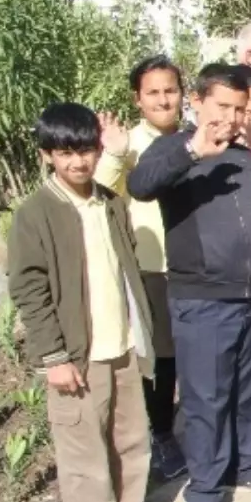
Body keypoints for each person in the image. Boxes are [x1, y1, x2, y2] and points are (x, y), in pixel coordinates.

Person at [128, 64, 251, 502]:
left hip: (250, 297)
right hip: (202, 299)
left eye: (241, 108)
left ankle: (249, 466)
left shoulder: (245, 157)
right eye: (223, 106)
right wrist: (190, 150)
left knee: (250, 392)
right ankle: (204, 492)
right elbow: (140, 184)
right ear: (197, 102)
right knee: (205, 397)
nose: (232, 116)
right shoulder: (174, 148)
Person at [10, 103, 173, 502]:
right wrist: (54, 356)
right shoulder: (36, 213)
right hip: (75, 355)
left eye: (86, 151)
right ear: (47, 156)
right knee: (84, 452)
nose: (78, 162)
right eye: (66, 153)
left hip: (120, 344)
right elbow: (29, 289)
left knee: (130, 439)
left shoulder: (109, 202)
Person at [93, 56, 185, 480]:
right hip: (153, 268)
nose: (163, 100)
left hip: (197, 266)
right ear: (138, 99)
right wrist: (112, 154)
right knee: (161, 360)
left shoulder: (198, 138)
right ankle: (163, 435)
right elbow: (100, 194)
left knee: (196, 357)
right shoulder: (126, 144)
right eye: (153, 92)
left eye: (170, 90)